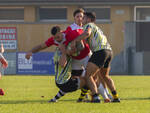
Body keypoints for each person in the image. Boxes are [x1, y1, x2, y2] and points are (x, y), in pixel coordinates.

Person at [71, 12, 120, 103]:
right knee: (105, 76)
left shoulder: (88, 25)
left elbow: (86, 34)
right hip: (109, 51)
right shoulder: (97, 27)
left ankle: (96, 97)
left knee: (88, 75)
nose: (82, 19)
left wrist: (75, 41)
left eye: (84, 18)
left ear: (89, 19)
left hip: (100, 52)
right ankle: (116, 97)